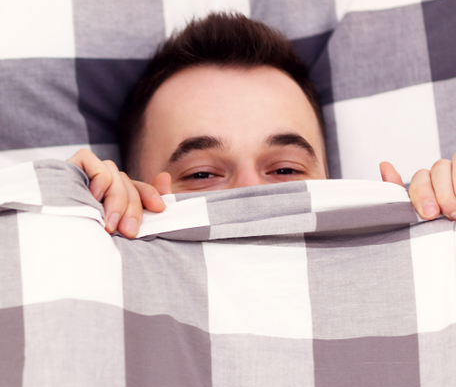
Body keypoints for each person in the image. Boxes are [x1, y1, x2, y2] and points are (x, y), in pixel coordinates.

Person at [67, 12, 456, 237]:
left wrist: (434, 228)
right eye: (202, 174)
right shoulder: (97, 244)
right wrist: (74, 210)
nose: (253, 196)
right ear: (138, 189)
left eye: (285, 169)